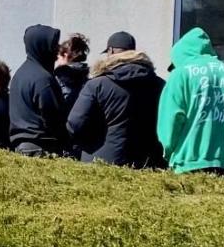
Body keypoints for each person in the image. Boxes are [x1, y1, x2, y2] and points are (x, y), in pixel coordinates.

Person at [157, 27, 224, 175]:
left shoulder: (180, 75)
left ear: (180, 56)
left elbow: (171, 120)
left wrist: (169, 151)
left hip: (187, 162)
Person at [66, 32, 165, 168]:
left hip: (101, 163)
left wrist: (89, 143)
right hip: (147, 163)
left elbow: (75, 124)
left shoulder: (97, 85)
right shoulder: (159, 85)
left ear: (111, 51)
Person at [9, 24, 71, 157]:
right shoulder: (43, 79)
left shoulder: (21, 73)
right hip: (41, 149)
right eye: (54, 45)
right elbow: (54, 118)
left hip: (22, 146)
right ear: (42, 47)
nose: (57, 51)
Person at [54, 33, 90, 113]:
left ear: (65, 55)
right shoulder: (88, 74)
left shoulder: (59, 76)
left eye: (58, 56)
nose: (57, 60)